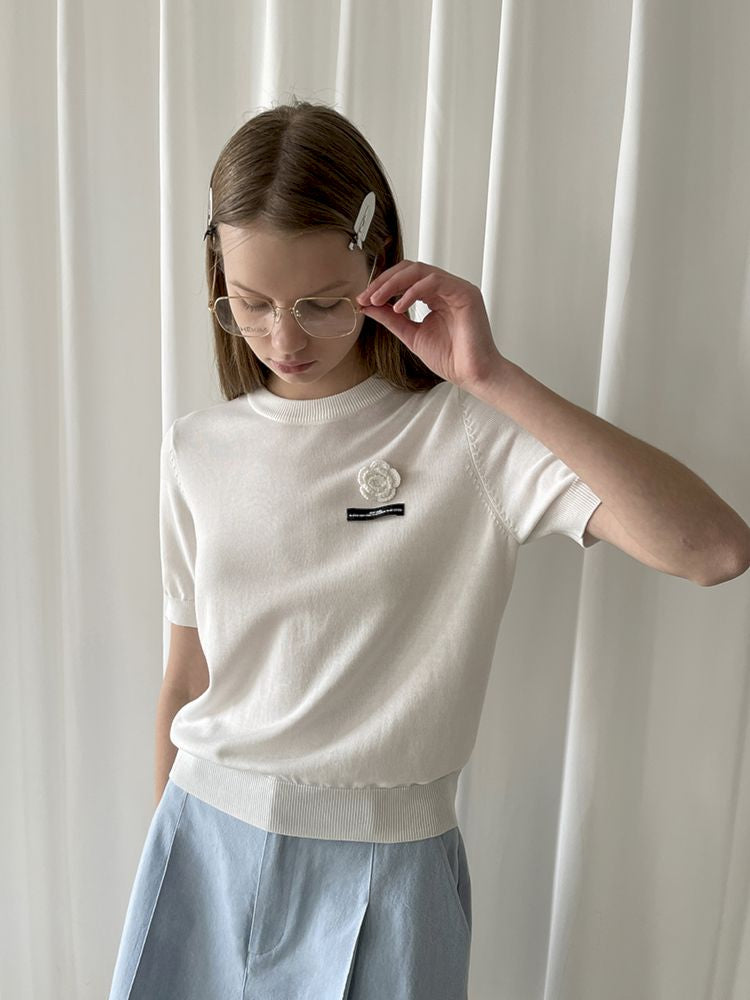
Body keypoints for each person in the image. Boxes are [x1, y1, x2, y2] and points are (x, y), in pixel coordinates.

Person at [108, 97, 605, 1000]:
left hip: (391, 863)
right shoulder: (197, 449)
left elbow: (713, 548)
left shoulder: (469, 434)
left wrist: (490, 376)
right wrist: (164, 863)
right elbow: (186, 679)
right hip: (202, 842)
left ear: (379, 263)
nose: (284, 338)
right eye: (251, 305)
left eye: (321, 303)